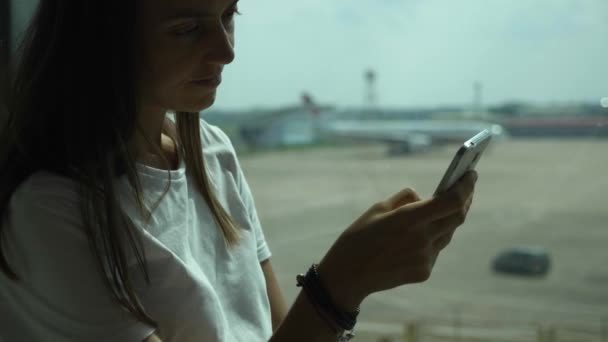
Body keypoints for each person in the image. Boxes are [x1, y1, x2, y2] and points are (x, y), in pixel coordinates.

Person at [0, 0, 477, 341]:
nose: (226, 50)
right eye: (188, 27)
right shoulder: (50, 215)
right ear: (102, 41)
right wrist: (339, 287)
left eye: (229, 15)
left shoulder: (212, 152)